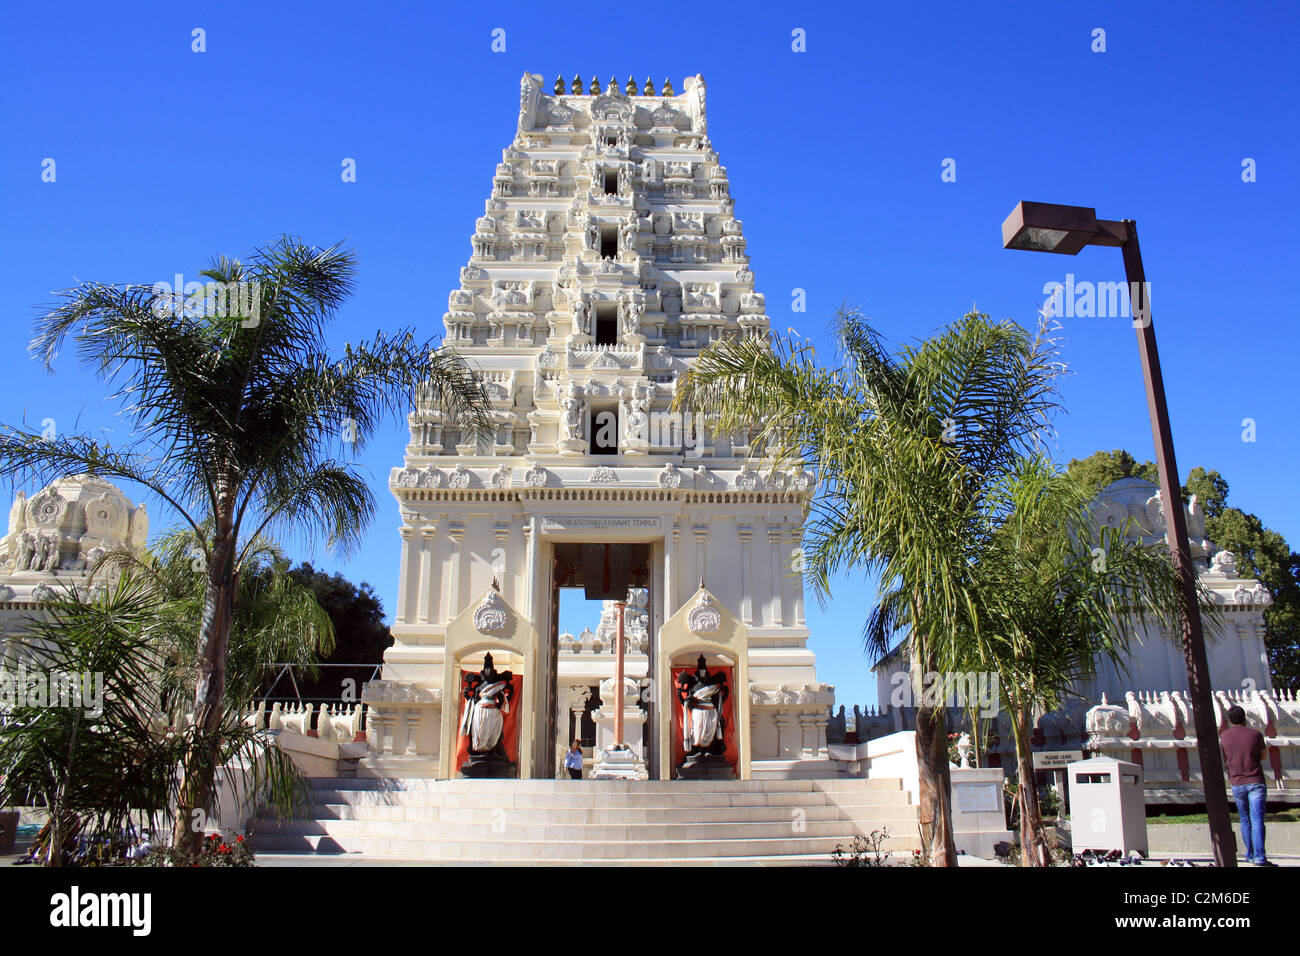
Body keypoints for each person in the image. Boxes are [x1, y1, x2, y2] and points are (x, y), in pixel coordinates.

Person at [1220, 705, 1274, 866]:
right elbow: (1263, 755)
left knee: (1245, 820)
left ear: (1229, 720)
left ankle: (1249, 854)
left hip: (1237, 781)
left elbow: (1225, 758)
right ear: (1245, 718)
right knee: (1257, 819)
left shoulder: (1224, 736)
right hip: (1255, 780)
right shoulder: (1255, 735)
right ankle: (1259, 857)